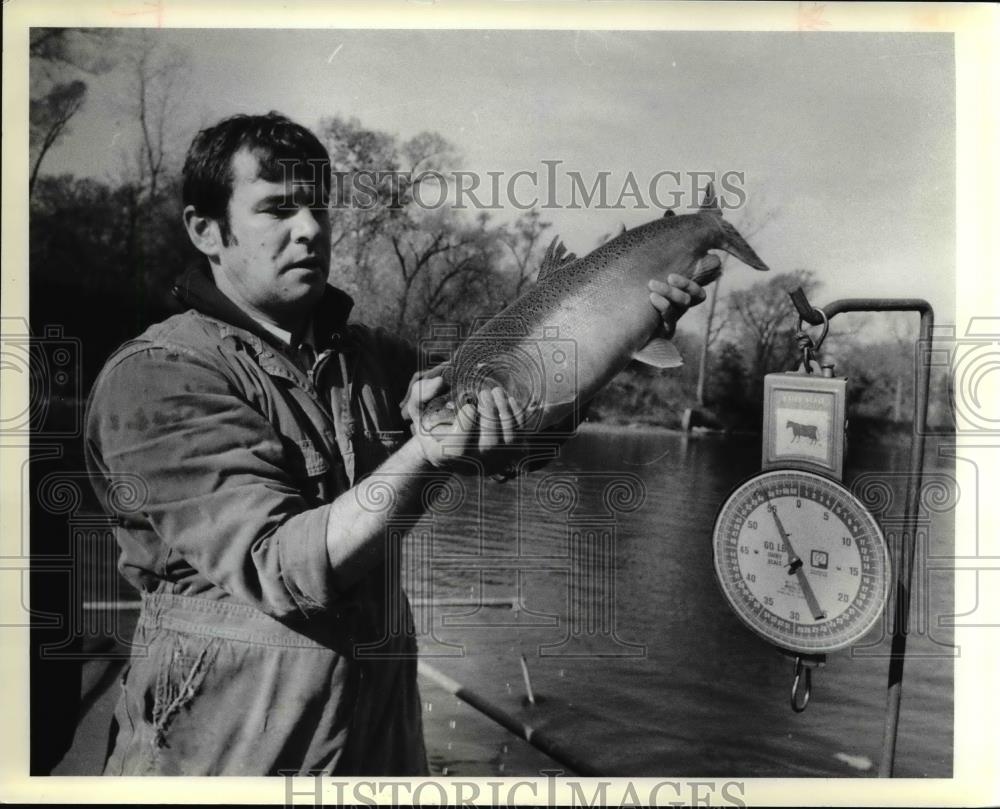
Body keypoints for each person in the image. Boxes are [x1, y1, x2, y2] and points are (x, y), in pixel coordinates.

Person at [83, 112, 709, 776]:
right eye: (277, 208)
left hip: (378, 757)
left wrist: (623, 331)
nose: (310, 230)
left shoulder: (373, 358)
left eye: (318, 207)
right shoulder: (157, 376)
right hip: (224, 768)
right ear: (205, 230)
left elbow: (512, 445)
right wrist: (424, 452)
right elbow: (284, 565)